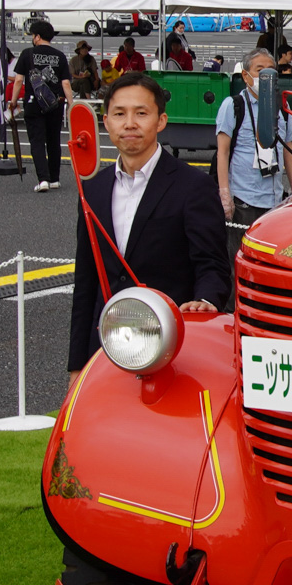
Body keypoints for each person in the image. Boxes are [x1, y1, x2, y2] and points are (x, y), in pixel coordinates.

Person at [67, 73, 230, 387]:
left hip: (171, 349)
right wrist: (77, 365)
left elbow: (213, 264)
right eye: (119, 114)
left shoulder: (193, 186)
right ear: (106, 122)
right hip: (107, 349)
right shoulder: (93, 190)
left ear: (161, 120)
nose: (130, 123)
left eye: (141, 113)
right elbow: (85, 283)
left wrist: (206, 301)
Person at [214, 49, 292, 259]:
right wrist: (225, 194)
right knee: (240, 258)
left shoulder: (282, 106)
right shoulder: (234, 106)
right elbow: (223, 152)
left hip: (274, 200)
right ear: (246, 76)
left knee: (270, 257)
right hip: (245, 199)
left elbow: (288, 151)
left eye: (270, 71)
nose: (265, 77)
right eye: (259, 70)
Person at [14, 19, 74, 193]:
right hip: (55, 103)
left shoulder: (27, 53)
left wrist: (12, 101)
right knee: (54, 141)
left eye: (33, 35)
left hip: (34, 102)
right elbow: (66, 83)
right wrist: (71, 104)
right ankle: (55, 178)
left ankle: (43, 179)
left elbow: (18, 80)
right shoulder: (60, 56)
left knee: (37, 141)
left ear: (37, 36)